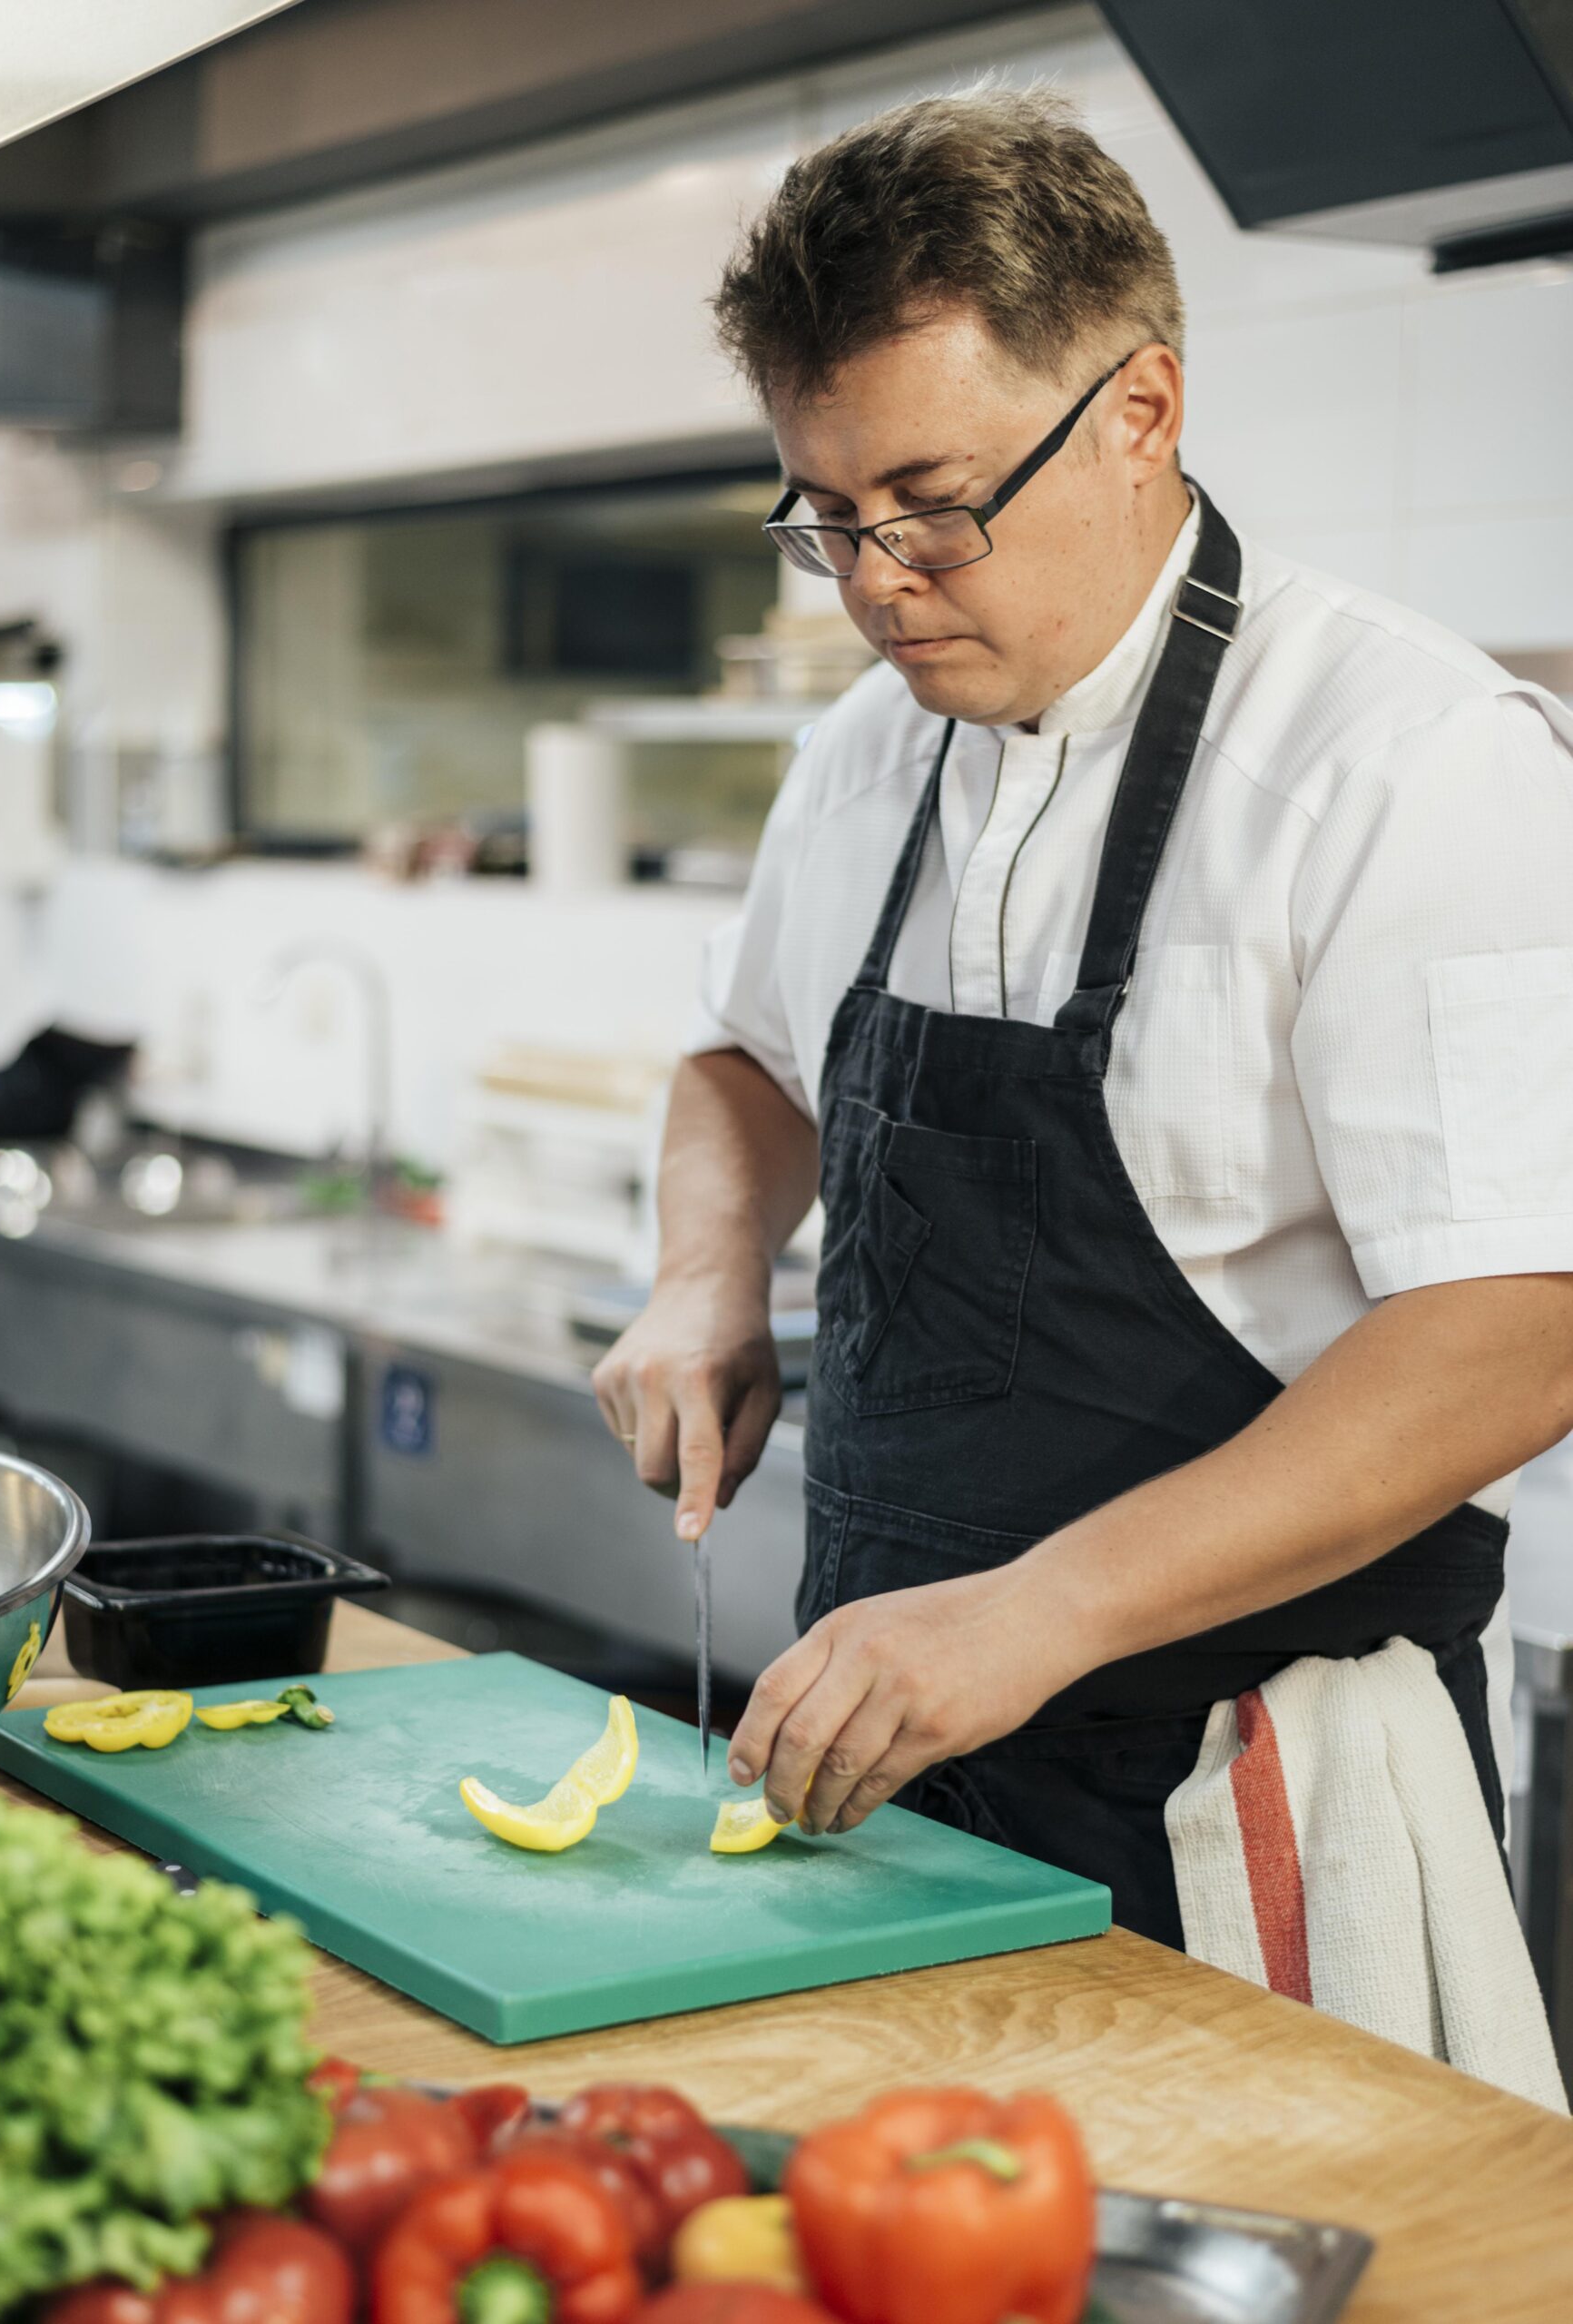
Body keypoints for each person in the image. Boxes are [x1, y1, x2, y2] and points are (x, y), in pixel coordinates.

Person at [592, 87, 1573, 1955]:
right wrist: (703, 1277)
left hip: (1261, 1808)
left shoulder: (1408, 761)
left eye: (934, 503)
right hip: (895, 1778)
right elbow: (746, 1061)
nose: (879, 582)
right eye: (829, 517)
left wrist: (1034, 1614)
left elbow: (1516, 1331)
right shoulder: (866, 752)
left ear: (1141, 412)